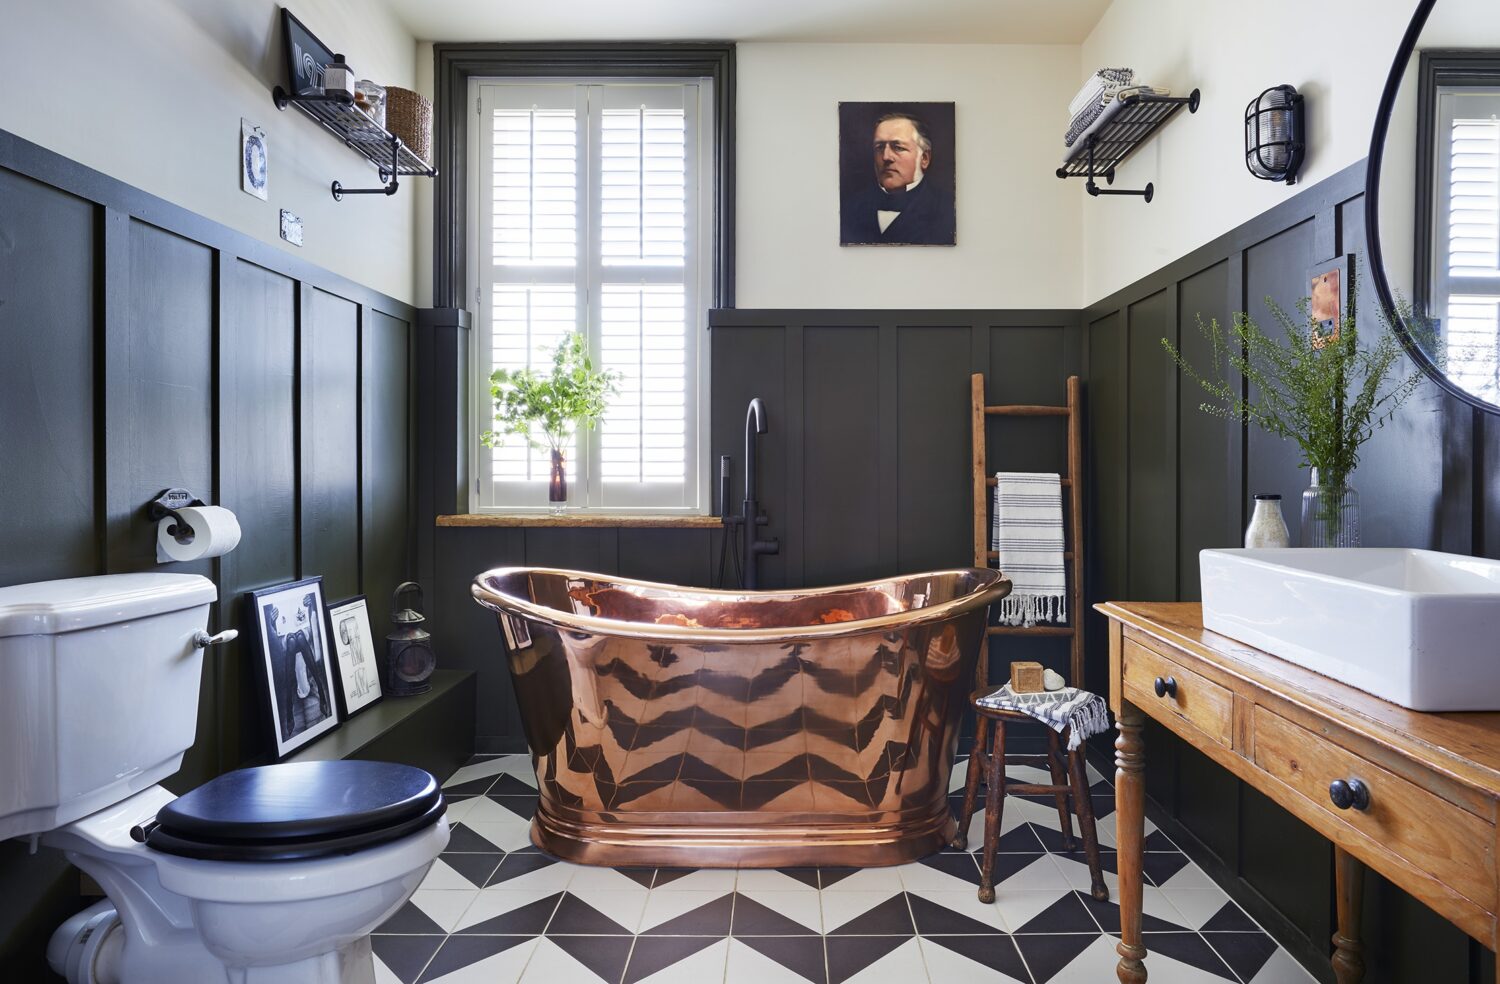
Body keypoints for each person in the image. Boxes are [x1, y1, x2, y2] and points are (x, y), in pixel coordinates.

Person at [840, 112, 955, 246]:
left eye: (898, 147)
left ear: (924, 159)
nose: (886, 157)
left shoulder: (948, 210)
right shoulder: (850, 208)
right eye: (879, 147)